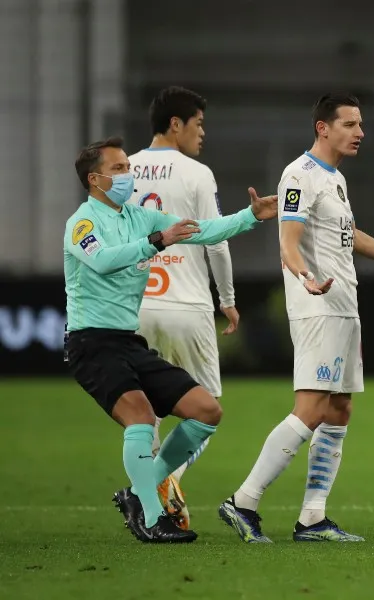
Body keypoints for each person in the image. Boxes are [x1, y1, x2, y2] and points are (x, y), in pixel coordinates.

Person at [219, 93, 374, 543]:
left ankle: (312, 518)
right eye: (350, 124)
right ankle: (242, 501)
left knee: (340, 408)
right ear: (323, 128)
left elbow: (347, 235)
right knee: (310, 410)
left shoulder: (335, 179)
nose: (360, 132)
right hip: (317, 306)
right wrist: (304, 276)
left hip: (343, 306)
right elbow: (288, 240)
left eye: (360, 124)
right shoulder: (299, 175)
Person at [64, 136, 277, 543]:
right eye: (119, 169)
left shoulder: (140, 217)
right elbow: (105, 261)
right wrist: (158, 242)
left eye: (128, 166)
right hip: (91, 343)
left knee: (206, 411)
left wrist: (251, 216)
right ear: (95, 180)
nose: (130, 174)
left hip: (128, 342)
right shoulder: (83, 224)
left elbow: (202, 230)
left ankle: (137, 494)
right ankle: (150, 516)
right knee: (140, 418)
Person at [128, 86, 238, 530]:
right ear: (176, 124)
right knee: (206, 409)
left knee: (143, 412)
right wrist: (227, 300)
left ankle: (152, 506)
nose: (203, 133)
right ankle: (159, 485)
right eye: (199, 124)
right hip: (187, 306)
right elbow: (216, 240)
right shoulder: (197, 173)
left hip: (135, 308)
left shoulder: (123, 168)